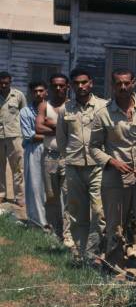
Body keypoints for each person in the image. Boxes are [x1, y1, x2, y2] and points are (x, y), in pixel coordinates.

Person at [89, 68, 136, 271]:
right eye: (118, 84)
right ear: (112, 85)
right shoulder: (103, 114)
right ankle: (115, 266)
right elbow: (94, 147)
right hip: (115, 179)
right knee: (114, 226)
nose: (123, 87)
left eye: (126, 83)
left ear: (133, 83)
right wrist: (111, 161)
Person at [56, 69, 107, 264]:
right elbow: (61, 139)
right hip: (74, 166)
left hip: (97, 168)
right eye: (76, 83)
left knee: (99, 212)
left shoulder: (103, 106)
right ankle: (80, 253)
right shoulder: (65, 109)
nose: (80, 86)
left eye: (84, 82)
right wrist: (69, 158)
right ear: (72, 85)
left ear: (91, 83)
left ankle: (95, 253)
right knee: (77, 212)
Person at [35, 73, 70, 242]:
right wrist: (62, 128)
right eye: (55, 85)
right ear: (50, 88)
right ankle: (54, 231)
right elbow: (39, 129)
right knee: (51, 196)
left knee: (69, 196)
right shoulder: (44, 105)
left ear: (67, 87)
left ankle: (68, 233)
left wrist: (51, 123)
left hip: (68, 157)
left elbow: (75, 131)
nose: (58, 88)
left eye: (61, 85)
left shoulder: (72, 106)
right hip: (50, 156)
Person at [19, 81, 47, 227]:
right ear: (30, 93)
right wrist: (53, 135)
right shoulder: (25, 112)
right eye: (35, 91)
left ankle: (51, 220)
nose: (38, 94)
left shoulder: (52, 109)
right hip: (33, 150)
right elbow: (29, 135)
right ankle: (36, 221)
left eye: (41, 90)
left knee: (51, 186)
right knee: (34, 185)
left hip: (51, 149)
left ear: (46, 92)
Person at [0, 71, 26, 206]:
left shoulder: (18, 95)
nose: (4, 85)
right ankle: (1, 194)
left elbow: (24, 113)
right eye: (1, 83)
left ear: (10, 82)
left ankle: (19, 196)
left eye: (6, 82)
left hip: (15, 136)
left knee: (17, 167)